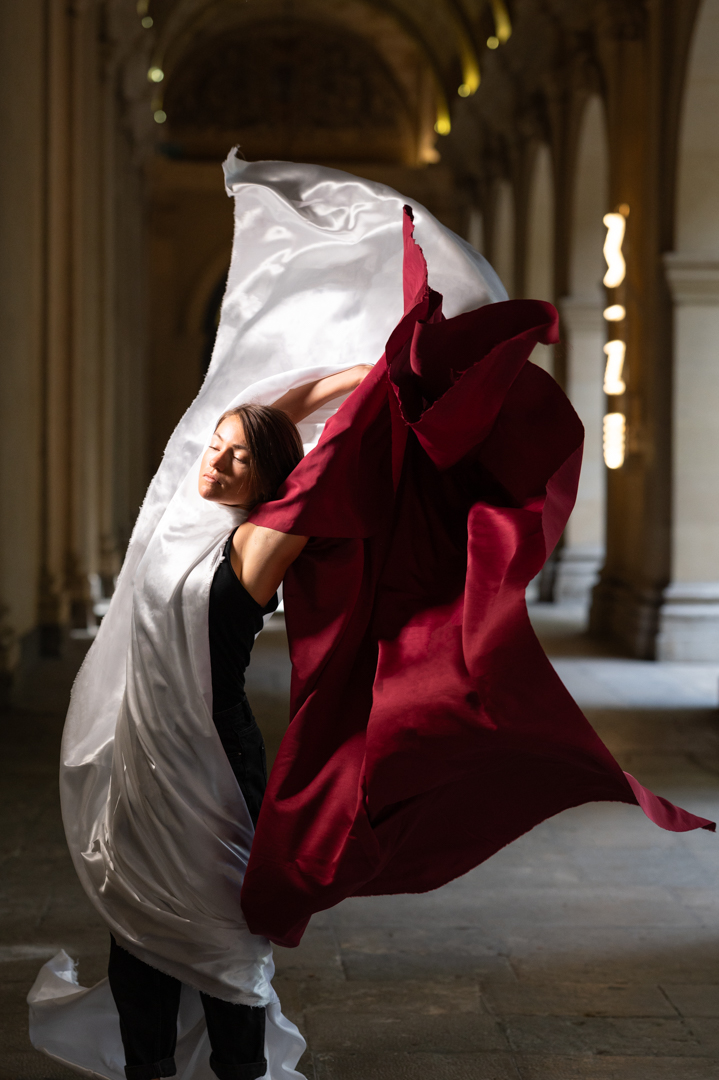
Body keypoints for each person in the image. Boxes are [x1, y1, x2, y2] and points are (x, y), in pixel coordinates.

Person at [105, 367, 371, 1080]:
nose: (215, 462)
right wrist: (346, 374)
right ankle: (147, 1067)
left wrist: (382, 377)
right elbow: (272, 415)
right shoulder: (188, 513)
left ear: (268, 478)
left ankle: (240, 1068)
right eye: (214, 446)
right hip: (145, 749)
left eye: (238, 458)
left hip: (214, 754)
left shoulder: (260, 540)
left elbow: (326, 460)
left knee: (222, 919)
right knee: (138, 913)